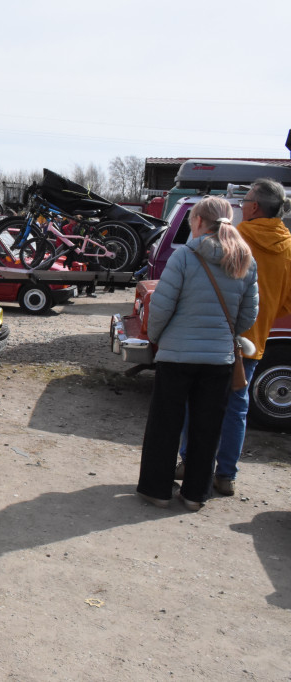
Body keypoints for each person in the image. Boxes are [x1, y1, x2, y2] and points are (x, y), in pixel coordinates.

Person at [137, 196, 258, 511]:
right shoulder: (246, 260)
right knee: (208, 428)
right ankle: (195, 495)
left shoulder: (185, 256)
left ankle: (158, 490)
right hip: (219, 360)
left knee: (165, 424)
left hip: (177, 355)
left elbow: (161, 306)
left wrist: (158, 337)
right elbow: (248, 316)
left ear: (199, 222)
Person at [176, 180, 291, 496]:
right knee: (237, 408)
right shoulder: (289, 246)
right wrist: (262, 317)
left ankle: (190, 463)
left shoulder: (236, 239)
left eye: (246, 199)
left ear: (255, 207)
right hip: (253, 341)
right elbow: (288, 301)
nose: (241, 204)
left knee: (198, 402)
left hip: (217, 336)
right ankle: (226, 475)